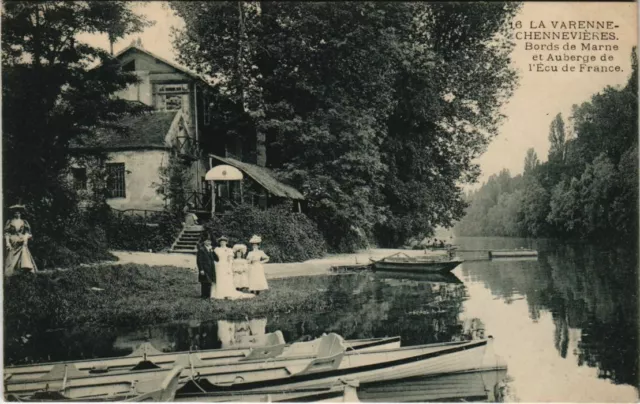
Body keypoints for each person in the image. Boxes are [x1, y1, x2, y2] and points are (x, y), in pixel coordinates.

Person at [4, 205, 37, 277]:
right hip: (13, 240)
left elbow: (28, 232)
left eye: (18, 212)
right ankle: (10, 273)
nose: (17, 213)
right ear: (13, 213)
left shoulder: (24, 222)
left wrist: (25, 238)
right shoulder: (10, 222)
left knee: (24, 252)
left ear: (21, 213)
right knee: (11, 256)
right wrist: (7, 242)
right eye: (15, 212)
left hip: (21, 240)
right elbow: (7, 233)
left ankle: (25, 268)